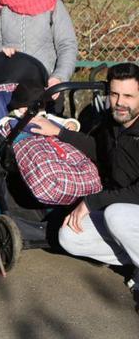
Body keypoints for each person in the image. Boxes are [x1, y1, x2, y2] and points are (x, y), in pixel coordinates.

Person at [58, 63, 139, 311]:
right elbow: (99, 150)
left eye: (128, 96)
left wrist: (91, 201)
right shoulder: (111, 122)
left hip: (127, 210)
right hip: (129, 214)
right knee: (69, 235)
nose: (120, 102)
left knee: (116, 214)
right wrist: (59, 133)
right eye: (114, 94)